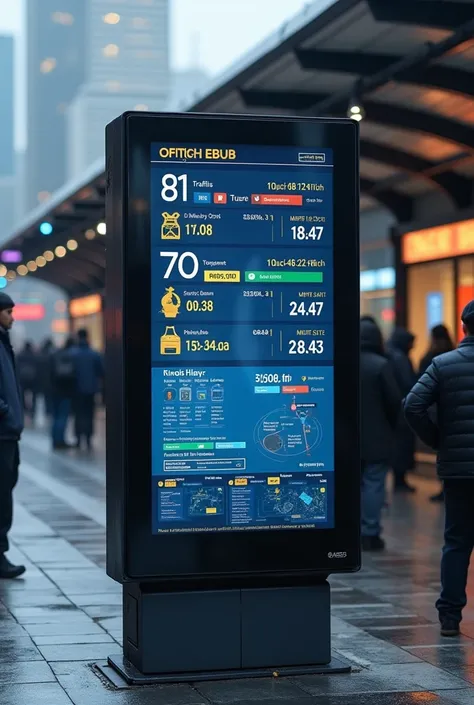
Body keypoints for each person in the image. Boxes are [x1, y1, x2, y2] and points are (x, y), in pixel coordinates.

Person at [405, 300, 474, 637]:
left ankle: (449, 616)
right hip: (458, 465)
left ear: (464, 327)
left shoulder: (443, 365)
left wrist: (437, 440)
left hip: (458, 469)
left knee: (457, 542)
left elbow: (412, 405)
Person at [360, 319, 402, 551]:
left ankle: (352, 530)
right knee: (374, 483)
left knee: (351, 485)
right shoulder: (381, 365)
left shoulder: (342, 363)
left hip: (347, 439)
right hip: (377, 436)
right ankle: (370, 532)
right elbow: (395, 401)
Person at [0, 293, 26, 578]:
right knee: (1, 495)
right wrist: (5, 412)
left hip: (8, 434)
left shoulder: (4, 343)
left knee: (6, 488)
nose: (12, 317)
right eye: (7, 312)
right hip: (2, 433)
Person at [419, 325, 455, 502]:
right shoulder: (454, 354)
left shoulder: (429, 359)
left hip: (436, 412)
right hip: (455, 411)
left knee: (443, 452)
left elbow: (413, 403)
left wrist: (429, 435)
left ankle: (445, 487)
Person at [387, 328, 417, 493]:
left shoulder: (389, 355)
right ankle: (400, 479)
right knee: (403, 444)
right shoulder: (400, 358)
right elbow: (408, 383)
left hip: (393, 407)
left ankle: (399, 478)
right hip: (402, 407)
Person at [73, 329, 103, 450]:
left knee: (78, 414)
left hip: (76, 390)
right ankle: (89, 438)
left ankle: (79, 438)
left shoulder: (72, 354)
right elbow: (101, 371)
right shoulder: (94, 354)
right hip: (91, 389)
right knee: (89, 414)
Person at [51, 336, 77, 450]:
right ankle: (60, 440)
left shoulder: (56, 355)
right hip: (65, 391)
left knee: (56, 416)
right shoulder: (71, 357)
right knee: (63, 416)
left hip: (55, 390)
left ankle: (55, 439)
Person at [16, 341, 39, 421]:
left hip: (22, 379)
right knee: (34, 397)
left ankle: (23, 411)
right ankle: (32, 412)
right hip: (33, 379)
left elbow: (16, 367)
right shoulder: (34, 355)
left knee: (21, 396)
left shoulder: (20, 355)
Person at [37, 339, 55, 417]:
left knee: (46, 397)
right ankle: (50, 411)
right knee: (51, 397)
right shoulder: (53, 355)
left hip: (42, 380)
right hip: (51, 380)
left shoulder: (40, 355)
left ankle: (47, 411)